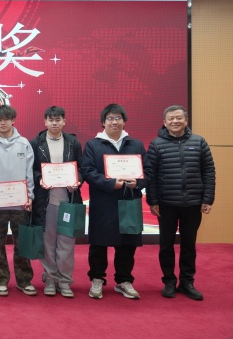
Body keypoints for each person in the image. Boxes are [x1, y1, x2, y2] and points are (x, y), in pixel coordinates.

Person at [81, 103, 150, 300]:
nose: (114, 122)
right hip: (103, 201)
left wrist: (138, 182)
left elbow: (148, 171)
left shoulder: (136, 145)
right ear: (103, 122)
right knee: (99, 243)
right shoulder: (93, 145)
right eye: (110, 118)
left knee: (128, 243)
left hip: (129, 200)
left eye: (118, 118)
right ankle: (97, 279)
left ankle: (124, 280)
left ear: (124, 121)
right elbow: (88, 171)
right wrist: (111, 183)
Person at [146, 105, 215, 301]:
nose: (175, 121)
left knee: (189, 245)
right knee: (166, 245)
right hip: (166, 203)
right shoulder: (156, 144)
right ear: (164, 122)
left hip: (193, 203)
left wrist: (207, 198)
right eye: (171, 118)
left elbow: (209, 172)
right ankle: (169, 281)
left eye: (179, 118)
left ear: (186, 121)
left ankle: (187, 282)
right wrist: (153, 201)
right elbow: (151, 175)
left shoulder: (199, 142)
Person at [0, 105, 35, 297]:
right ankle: (0, 280)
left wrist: (29, 196)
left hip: (21, 203)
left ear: (13, 120)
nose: (2, 123)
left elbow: (29, 173)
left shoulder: (24, 144)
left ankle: (24, 280)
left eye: (6, 119)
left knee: (22, 244)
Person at [30, 106, 82, 298]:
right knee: (48, 242)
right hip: (46, 201)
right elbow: (32, 170)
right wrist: (39, 179)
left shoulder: (73, 143)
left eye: (58, 119)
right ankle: (50, 278)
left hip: (68, 200)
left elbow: (81, 168)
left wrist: (77, 180)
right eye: (51, 120)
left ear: (64, 121)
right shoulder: (36, 143)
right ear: (45, 122)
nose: (54, 123)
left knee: (67, 242)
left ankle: (65, 280)